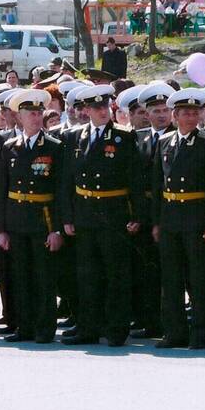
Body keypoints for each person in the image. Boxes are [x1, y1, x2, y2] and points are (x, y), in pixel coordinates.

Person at [56, 84, 144, 347]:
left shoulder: (123, 138)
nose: (102, 111)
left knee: (116, 274)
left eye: (105, 106)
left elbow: (135, 179)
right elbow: (67, 181)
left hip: (113, 213)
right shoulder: (75, 137)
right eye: (96, 107)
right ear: (86, 110)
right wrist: (68, 216)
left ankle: (116, 329)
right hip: (85, 213)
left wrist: (137, 214)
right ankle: (88, 327)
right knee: (87, 274)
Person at [150, 89, 205, 349]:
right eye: (185, 113)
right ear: (175, 116)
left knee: (198, 279)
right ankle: (174, 331)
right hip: (171, 218)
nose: (191, 117)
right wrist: (157, 222)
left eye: (195, 113)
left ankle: (199, 332)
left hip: (196, 217)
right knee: (171, 279)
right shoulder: (165, 142)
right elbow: (158, 184)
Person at [0, 89, 65, 344]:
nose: (36, 117)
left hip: (42, 219)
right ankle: (24, 327)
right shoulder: (9, 147)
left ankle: (44, 328)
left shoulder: (55, 147)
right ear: (19, 117)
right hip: (16, 219)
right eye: (30, 113)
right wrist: (1, 229)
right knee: (21, 276)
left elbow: (60, 190)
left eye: (39, 113)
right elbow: (2, 190)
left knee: (43, 277)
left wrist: (56, 228)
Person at [130, 82, 175, 339]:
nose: (160, 115)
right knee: (146, 271)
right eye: (155, 110)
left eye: (164, 110)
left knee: (170, 272)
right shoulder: (140, 139)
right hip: (144, 215)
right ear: (147, 113)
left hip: (169, 214)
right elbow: (135, 182)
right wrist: (137, 216)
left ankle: (169, 321)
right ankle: (149, 320)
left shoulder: (175, 136)